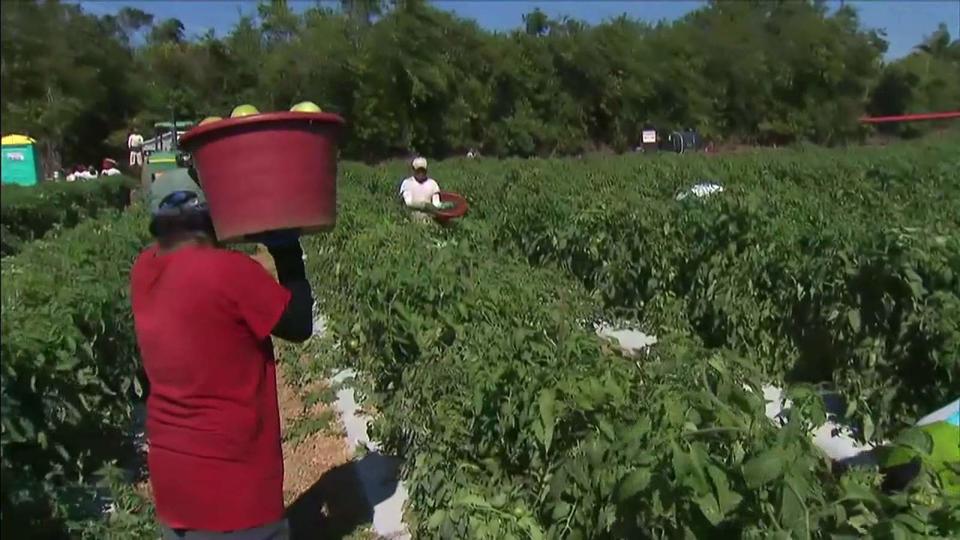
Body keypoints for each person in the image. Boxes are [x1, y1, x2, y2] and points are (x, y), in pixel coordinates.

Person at [130, 167, 313, 540]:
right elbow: (298, 325)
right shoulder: (230, 272)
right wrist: (286, 250)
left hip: (173, 479)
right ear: (209, 215)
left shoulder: (143, 271)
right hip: (235, 482)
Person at [398, 157, 441, 222]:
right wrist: (425, 206)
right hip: (411, 217)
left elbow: (436, 203)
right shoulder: (407, 183)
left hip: (429, 217)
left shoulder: (433, 184)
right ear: (413, 170)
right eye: (418, 170)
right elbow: (408, 202)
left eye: (422, 170)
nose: (420, 173)